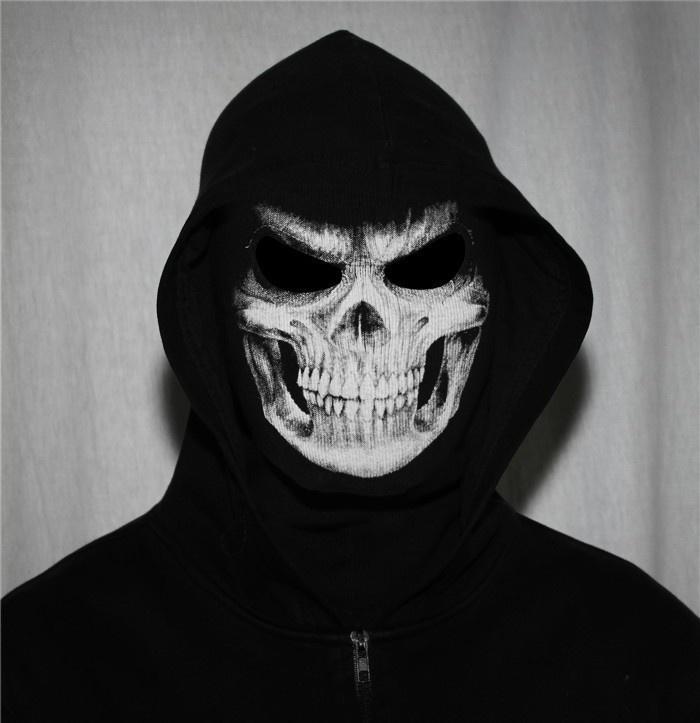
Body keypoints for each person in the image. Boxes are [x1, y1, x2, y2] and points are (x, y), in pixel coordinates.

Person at [3, 29, 699, 722]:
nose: (364, 324)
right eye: (296, 266)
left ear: (500, 294)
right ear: (211, 303)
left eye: (424, 265)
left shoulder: (648, 657)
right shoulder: (41, 667)